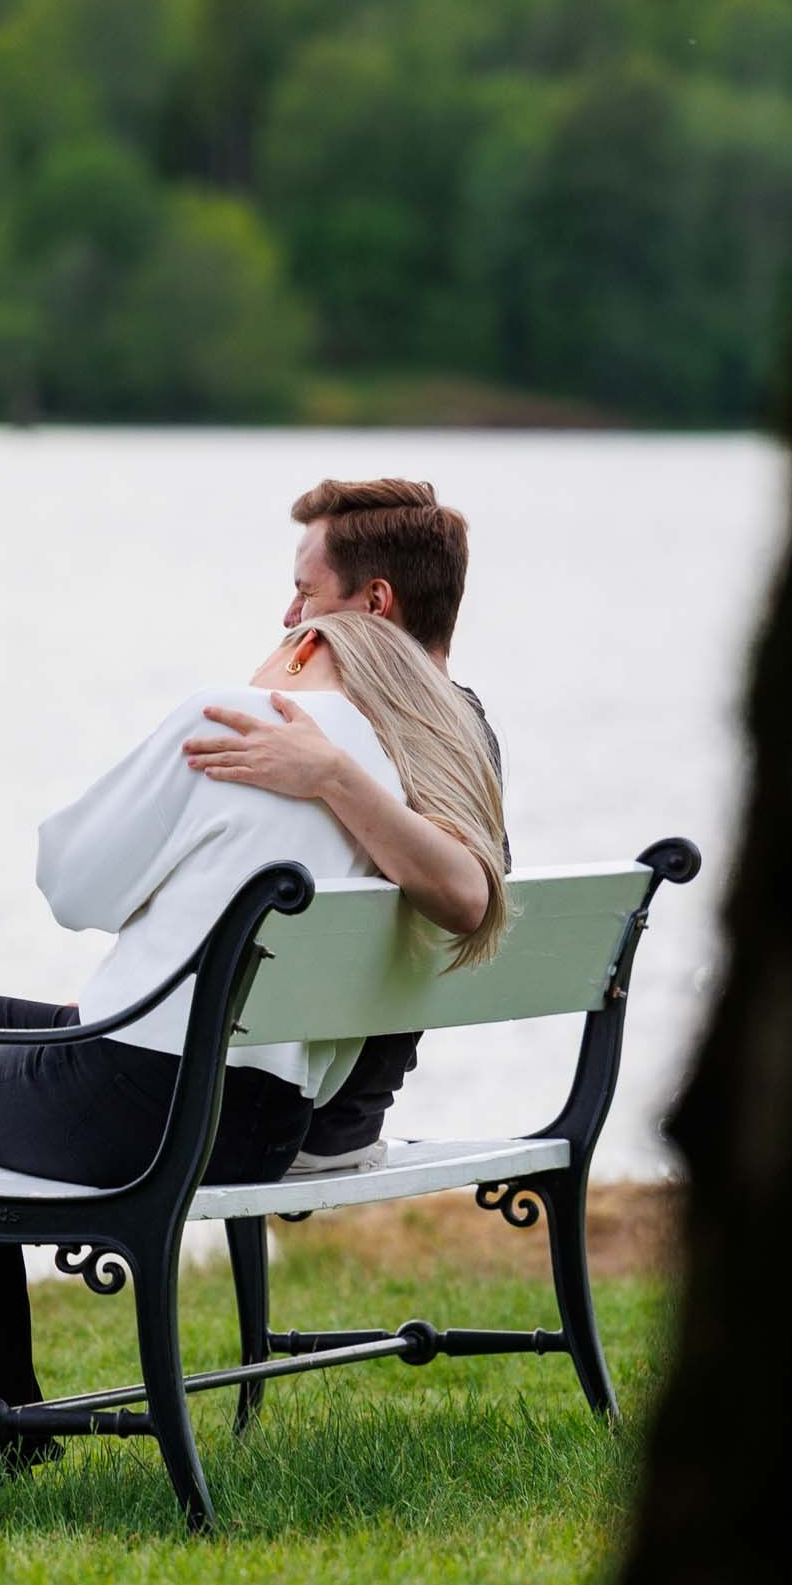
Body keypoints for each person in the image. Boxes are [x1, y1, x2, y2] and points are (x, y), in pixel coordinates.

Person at [0, 601, 507, 1478]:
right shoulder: (411, 768)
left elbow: (71, 885)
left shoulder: (239, 720)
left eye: (299, 601)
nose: (285, 615)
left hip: (147, 1102)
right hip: (267, 1120)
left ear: (317, 641)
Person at [265, 476, 510, 1176]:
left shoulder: (348, 740)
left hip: (274, 1116)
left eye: (306, 593)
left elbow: (467, 898)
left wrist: (331, 773)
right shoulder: (468, 736)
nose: (290, 617)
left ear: (374, 603)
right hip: (350, 1118)